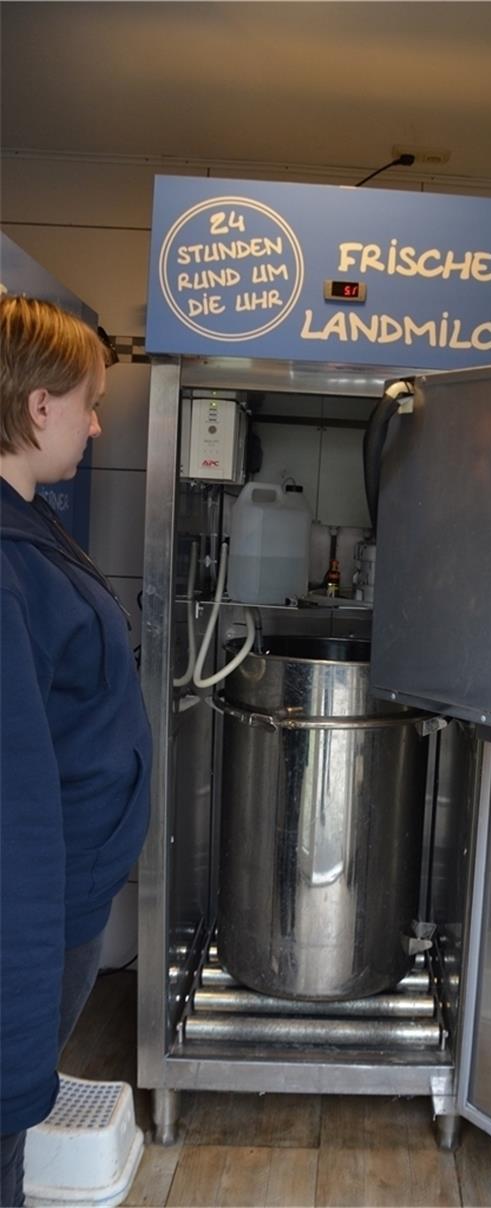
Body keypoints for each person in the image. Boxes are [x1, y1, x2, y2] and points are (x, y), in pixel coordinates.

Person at [0, 295, 151, 1206]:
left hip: (64, 906)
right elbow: (10, 813)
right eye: (88, 401)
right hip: (32, 920)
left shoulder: (30, 519)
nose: (97, 422)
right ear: (35, 406)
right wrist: (16, 1060)